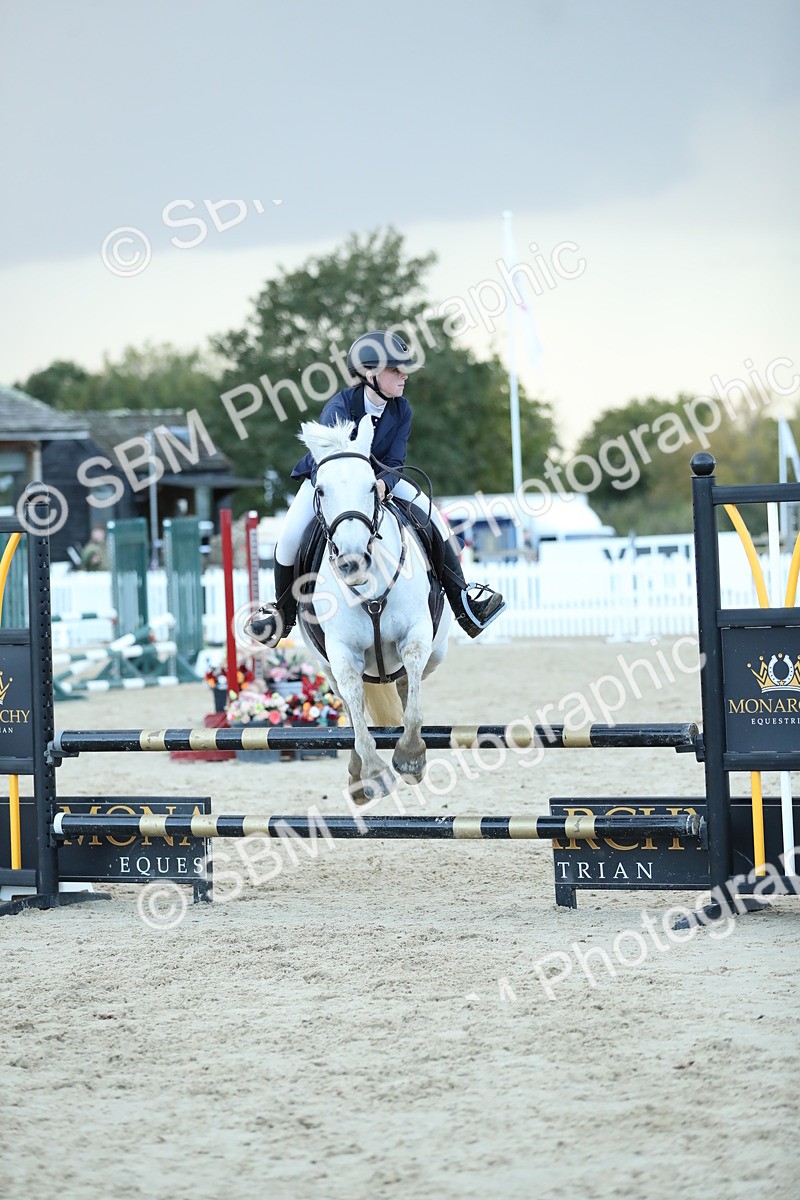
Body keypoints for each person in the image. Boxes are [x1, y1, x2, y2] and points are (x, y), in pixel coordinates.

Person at [246, 330, 506, 647]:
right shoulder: (339, 407)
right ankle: (282, 615)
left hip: (381, 481)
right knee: (289, 537)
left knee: (434, 519)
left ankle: (463, 602)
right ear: (370, 374)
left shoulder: (401, 409)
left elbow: (395, 459)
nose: (404, 375)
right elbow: (333, 463)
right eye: (395, 369)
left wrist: (384, 483)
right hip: (331, 483)